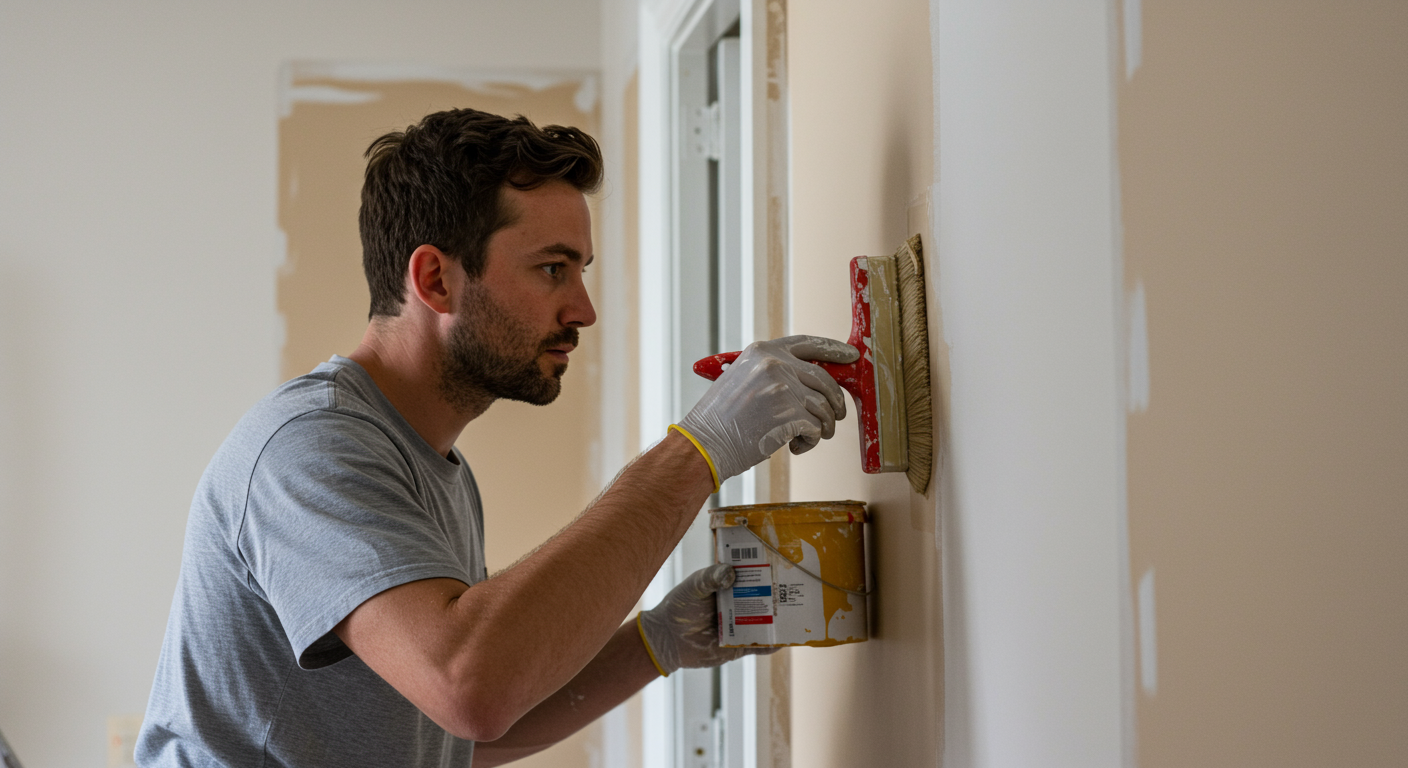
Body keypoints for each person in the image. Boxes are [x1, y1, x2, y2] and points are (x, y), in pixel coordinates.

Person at [135, 108, 857, 767]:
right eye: (552, 269)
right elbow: (467, 684)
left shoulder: (433, 464)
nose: (583, 309)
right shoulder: (310, 451)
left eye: (581, 270)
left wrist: (658, 642)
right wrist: (702, 447)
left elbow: (461, 732)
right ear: (436, 280)